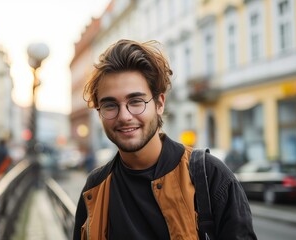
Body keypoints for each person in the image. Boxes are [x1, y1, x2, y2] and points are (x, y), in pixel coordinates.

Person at [73, 39, 257, 239]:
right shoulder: (95, 187)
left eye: (135, 102)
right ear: (99, 112)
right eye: (110, 105)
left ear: (159, 103)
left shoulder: (209, 176)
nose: (124, 116)